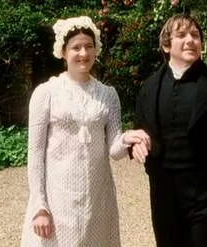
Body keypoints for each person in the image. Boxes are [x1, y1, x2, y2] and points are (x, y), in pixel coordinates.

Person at [20, 16, 149, 246]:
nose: (83, 53)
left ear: (96, 49)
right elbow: (35, 154)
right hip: (58, 197)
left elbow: (114, 150)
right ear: (63, 51)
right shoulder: (46, 93)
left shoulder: (108, 95)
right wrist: (40, 206)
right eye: (76, 47)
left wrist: (128, 138)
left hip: (97, 198)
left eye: (89, 46)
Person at [131, 14, 207, 247]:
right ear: (166, 45)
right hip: (165, 198)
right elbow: (140, 132)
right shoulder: (149, 89)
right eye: (182, 35)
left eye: (195, 35)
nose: (190, 40)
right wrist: (136, 145)